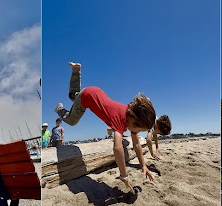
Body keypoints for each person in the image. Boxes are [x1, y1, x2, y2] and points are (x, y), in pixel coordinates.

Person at [54, 62, 157, 193]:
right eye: (140, 130)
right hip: (87, 98)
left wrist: (143, 165)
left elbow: (136, 144)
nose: (137, 133)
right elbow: (117, 148)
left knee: (73, 94)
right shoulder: (120, 119)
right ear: (135, 121)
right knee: (71, 120)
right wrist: (124, 176)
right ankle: (60, 108)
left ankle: (76, 70)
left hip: (94, 91)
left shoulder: (131, 115)